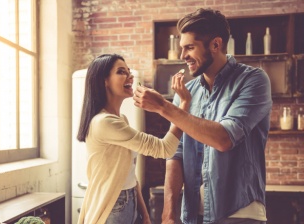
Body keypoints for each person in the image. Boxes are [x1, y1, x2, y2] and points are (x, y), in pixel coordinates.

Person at [133, 8, 272, 224]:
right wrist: (168, 213)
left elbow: (224, 138)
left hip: (239, 212)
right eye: (182, 48)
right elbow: (176, 155)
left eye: (190, 47)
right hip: (193, 215)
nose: (182, 56)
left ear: (215, 45)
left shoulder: (253, 81)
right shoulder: (185, 95)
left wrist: (163, 106)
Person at [76, 53, 191, 224]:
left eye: (128, 71)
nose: (129, 76)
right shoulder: (105, 122)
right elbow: (164, 148)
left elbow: (128, 172)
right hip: (112, 206)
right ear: (104, 81)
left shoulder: (120, 119)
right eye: (121, 71)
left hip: (127, 200)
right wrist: (184, 103)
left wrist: (144, 213)